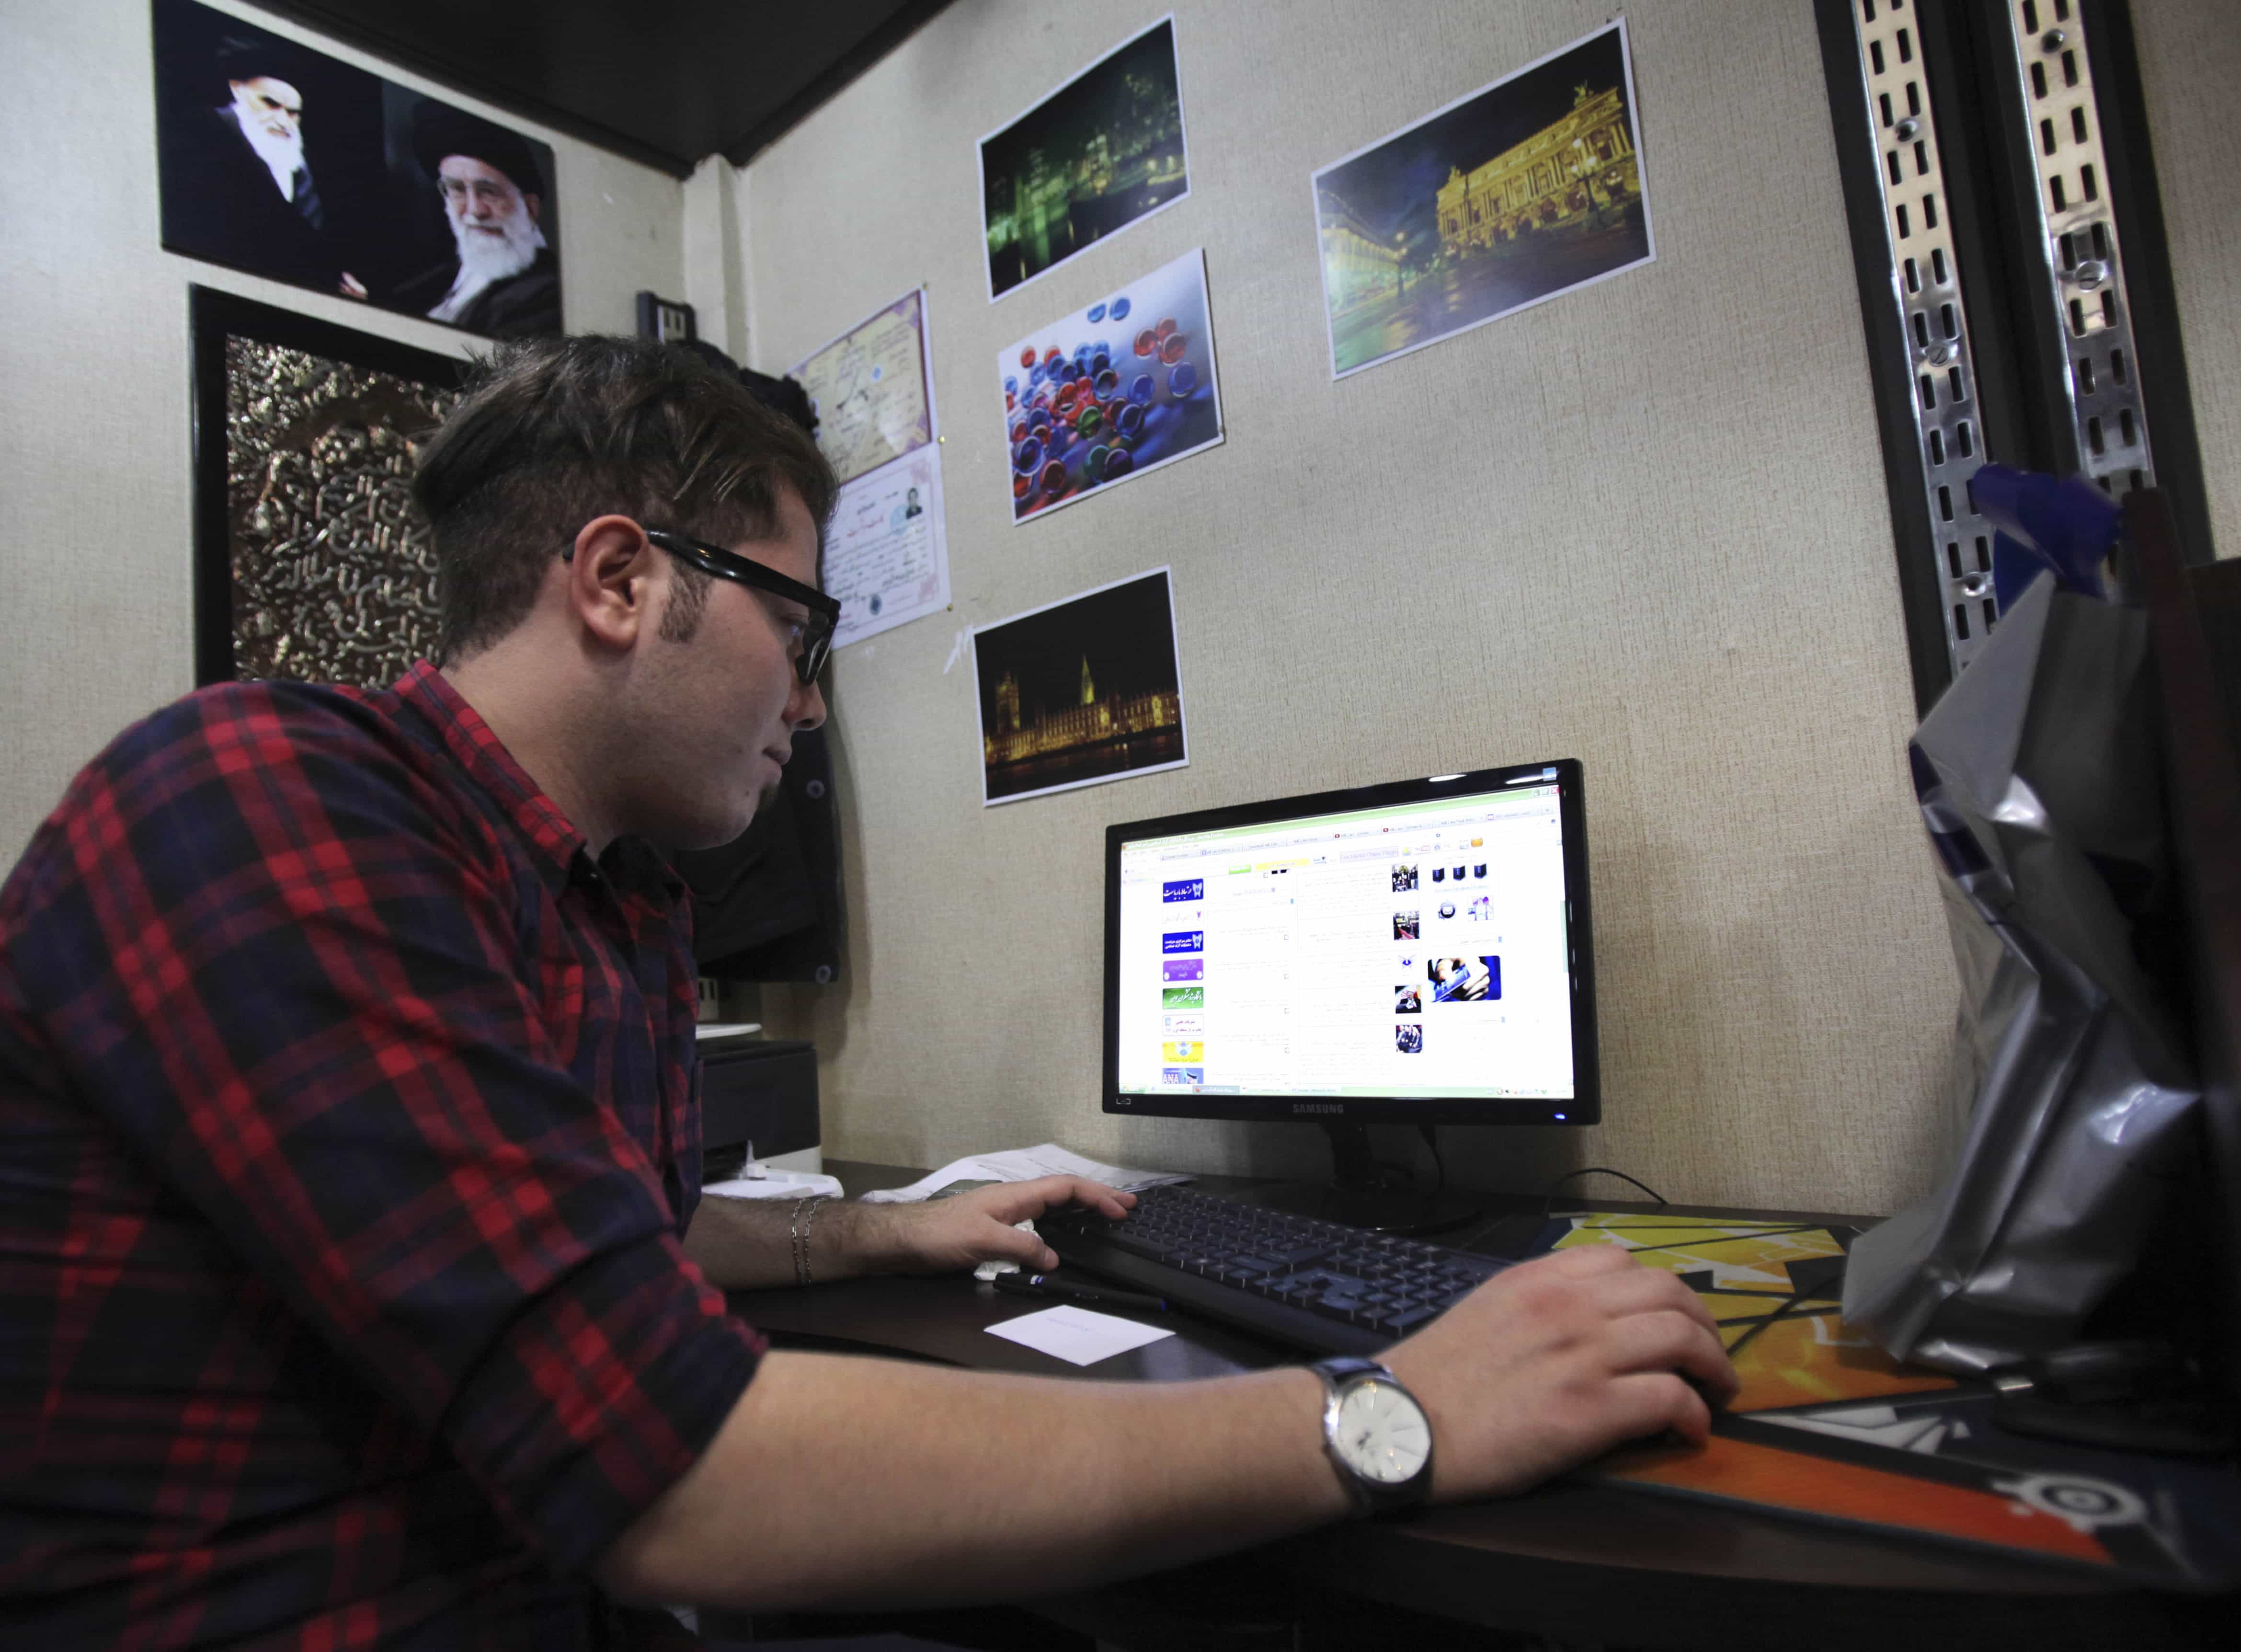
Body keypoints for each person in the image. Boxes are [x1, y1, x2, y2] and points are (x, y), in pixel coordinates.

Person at [0, 337, 1735, 1646]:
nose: (811, 702)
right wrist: (1398, 1409)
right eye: (800, 631)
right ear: (619, 581)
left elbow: (597, 1233)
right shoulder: (258, 801)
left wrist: (886, 1232)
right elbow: (680, 1478)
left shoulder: (618, 901)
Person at [160, 36, 369, 299]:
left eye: (293, 112)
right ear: (237, 89)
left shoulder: (307, 162)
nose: (283, 121)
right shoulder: (197, 140)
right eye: (270, 104)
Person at [394, 100, 562, 337]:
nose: (474, 211)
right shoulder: (440, 277)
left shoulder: (548, 295)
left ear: (530, 209)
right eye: (458, 190)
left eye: (489, 192)